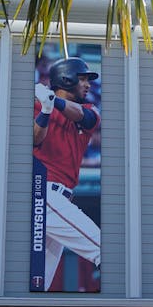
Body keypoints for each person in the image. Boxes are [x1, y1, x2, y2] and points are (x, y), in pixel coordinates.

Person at [32, 56, 102, 289]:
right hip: (43, 195)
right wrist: (45, 110)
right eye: (82, 79)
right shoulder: (37, 104)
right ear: (66, 79)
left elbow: (87, 118)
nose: (88, 84)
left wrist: (54, 103)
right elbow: (35, 139)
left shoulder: (88, 109)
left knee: (37, 284)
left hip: (60, 198)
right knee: (104, 249)